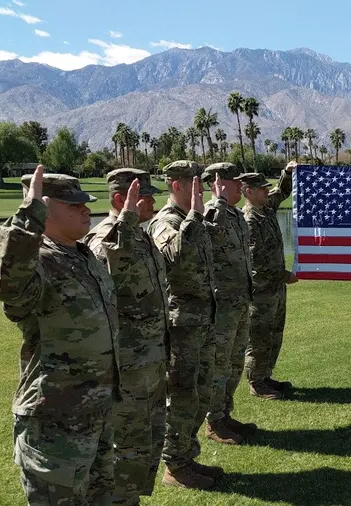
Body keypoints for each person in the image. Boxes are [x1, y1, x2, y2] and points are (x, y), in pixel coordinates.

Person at [0, 165, 121, 505]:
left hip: (96, 413)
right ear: (44, 208)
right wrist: (28, 217)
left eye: (85, 203)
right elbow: (6, 283)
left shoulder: (83, 256)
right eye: (74, 205)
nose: (86, 209)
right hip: (54, 424)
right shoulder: (38, 263)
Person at [83, 168, 168, 505]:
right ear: (122, 200)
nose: (154, 201)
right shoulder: (105, 238)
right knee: (126, 446)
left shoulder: (140, 235)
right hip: (127, 366)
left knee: (146, 441)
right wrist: (127, 225)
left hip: (151, 358)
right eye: (145, 196)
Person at [146, 160, 221, 490]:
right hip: (181, 330)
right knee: (181, 397)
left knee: (201, 395)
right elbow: (177, 255)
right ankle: (174, 466)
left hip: (202, 324)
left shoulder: (196, 221)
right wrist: (194, 216)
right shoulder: (166, 222)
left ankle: (186, 457)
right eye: (195, 183)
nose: (201, 189)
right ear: (176, 185)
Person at [200, 162, 258, 444]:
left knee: (234, 364)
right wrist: (219, 201)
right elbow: (208, 234)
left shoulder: (235, 215)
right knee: (219, 366)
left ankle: (224, 415)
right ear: (217, 184)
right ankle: (213, 422)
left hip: (239, 302)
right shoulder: (212, 212)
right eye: (235, 182)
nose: (241, 187)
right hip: (221, 306)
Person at [239, 163, 298, 398]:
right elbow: (256, 262)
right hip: (261, 290)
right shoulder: (249, 219)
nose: (266, 191)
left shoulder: (266, 208)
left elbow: (281, 191)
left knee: (275, 332)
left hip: (276, 288)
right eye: (261, 189)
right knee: (259, 337)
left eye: (265, 188)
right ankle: (256, 382)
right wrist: (283, 275)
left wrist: (288, 172)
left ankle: (266, 375)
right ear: (248, 192)